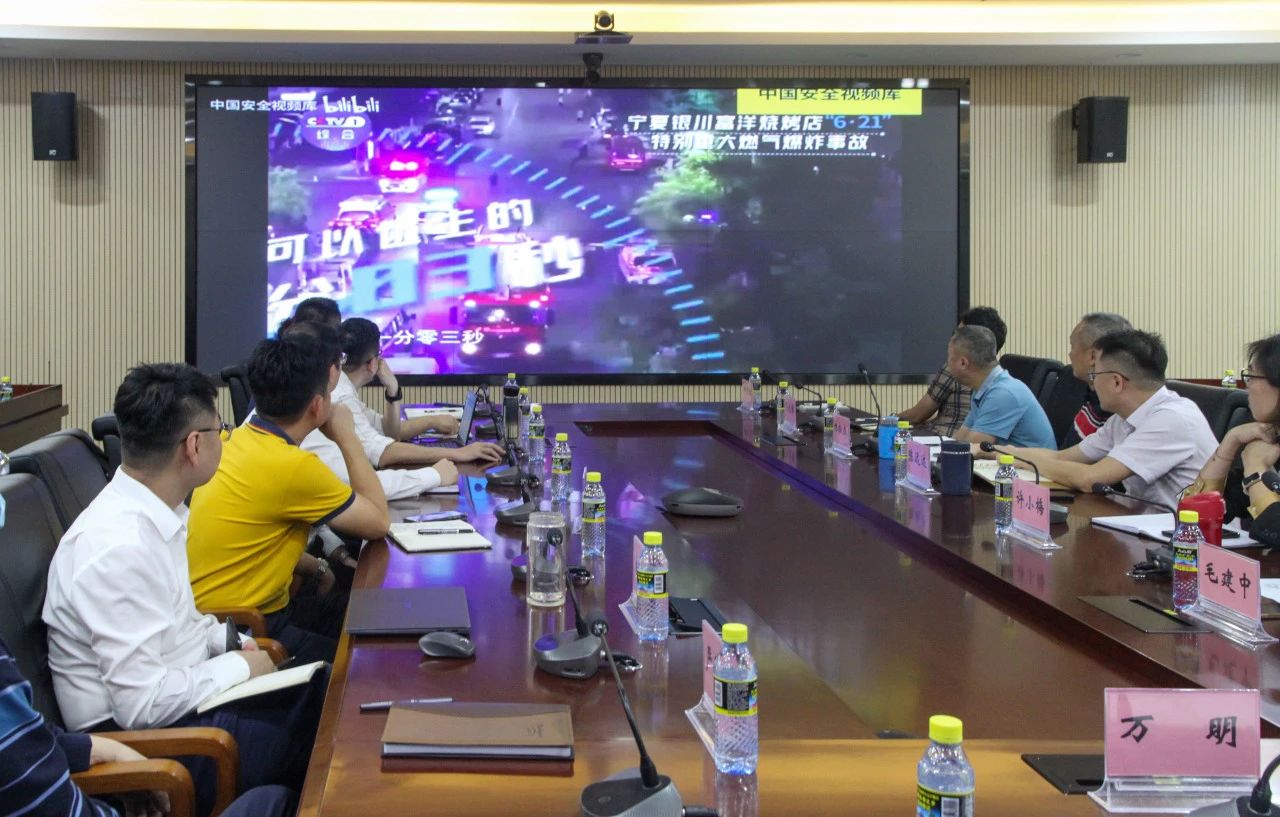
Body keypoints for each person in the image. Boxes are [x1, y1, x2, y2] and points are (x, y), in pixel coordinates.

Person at [41, 363, 325, 814]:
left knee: (325, 689)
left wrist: (236, 645)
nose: (224, 438)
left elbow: (182, 624)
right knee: (321, 742)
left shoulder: (159, 513)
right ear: (194, 445)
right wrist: (238, 667)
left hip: (184, 703)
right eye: (221, 430)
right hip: (148, 744)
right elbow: (141, 705)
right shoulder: (118, 547)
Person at [187, 327, 390, 663]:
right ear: (317, 406)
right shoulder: (292, 466)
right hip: (247, 628)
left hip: (222, 616)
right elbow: (379, 522)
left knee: (362, 611)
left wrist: (318, 567)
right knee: (364, 661)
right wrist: (347, 437)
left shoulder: (236, 440)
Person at [2, 636, 296, 817]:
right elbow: (142, 705)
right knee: (280, 794)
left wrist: (109, 751)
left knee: (273, 796)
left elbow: (29, 743)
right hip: (149, 722)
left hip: (169, 708)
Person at [974, 329, 1217, 509]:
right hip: (1140, 525)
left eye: (1094, 375)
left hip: (1184, 540)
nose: (1091, 383)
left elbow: (1090, 478)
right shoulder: (1123, 418)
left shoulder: (1171, 419)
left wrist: (1018, 462)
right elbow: (1062, 457)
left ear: (1116, 382)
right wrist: (996, 452)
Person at [280, 320, 460, 500]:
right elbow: (364, 484)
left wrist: (394, 391)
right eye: (338, 359)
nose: (340, 366)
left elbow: (384, 431)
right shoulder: (334, 400)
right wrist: (437, 472)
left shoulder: (304, 401)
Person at [332, 317, 504, 469]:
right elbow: (383, 452)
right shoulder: (342, 397)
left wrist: (393, 390)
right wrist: (458, 453)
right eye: (379, 354)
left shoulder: (343, 388)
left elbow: (388, 431)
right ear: (371, 364)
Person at [1183, 334, 1280, 544]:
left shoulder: (1259, 454)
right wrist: (1230, 442)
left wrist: (1256, 468)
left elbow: (1276, 532)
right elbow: (1193, 517)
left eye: (1252, 376)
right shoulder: (1267, 440)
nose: (1247, 386)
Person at [897, 306, 1008, 435]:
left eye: (958, 334)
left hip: (943, 437)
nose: (953, 339)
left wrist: (887, 420)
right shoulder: (993, 377)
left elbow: (917, 415)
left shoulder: (957, 366)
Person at [947, 325, 1056, 449]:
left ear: (963, 363)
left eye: (949, 357)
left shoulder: (1002, 394)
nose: (947, 362)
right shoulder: (983, 388)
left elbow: (971, 449)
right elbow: (960, 439)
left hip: (1030, 462)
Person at [1062, 312, 1133, 447]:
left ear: (1093, 357)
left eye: (1072, 346)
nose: (1070, 354)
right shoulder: (1092, 392)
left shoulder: (1116, 411)